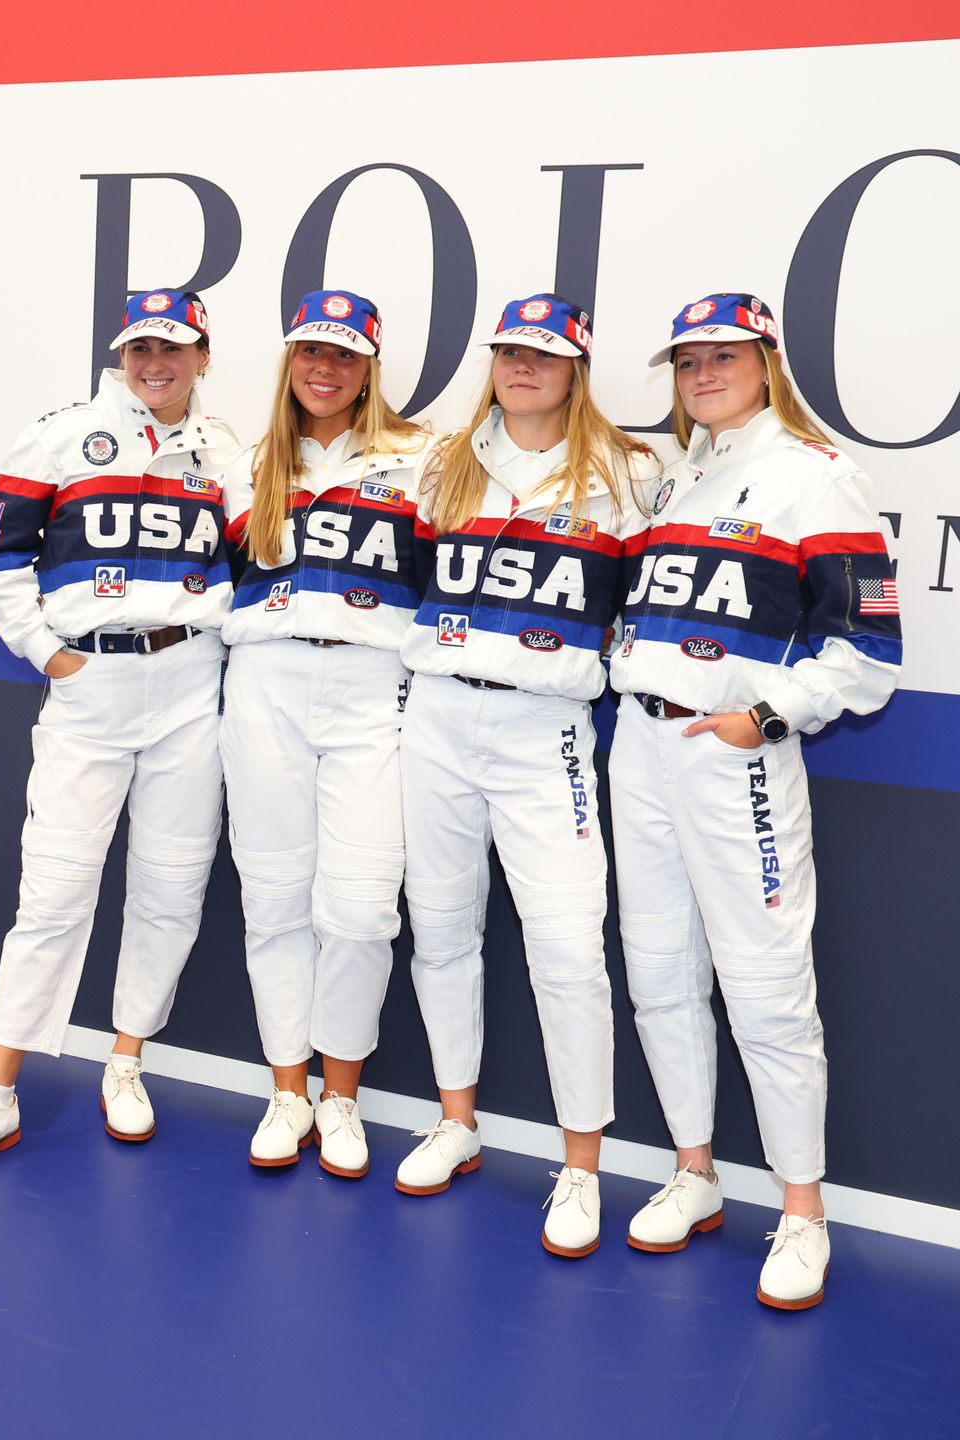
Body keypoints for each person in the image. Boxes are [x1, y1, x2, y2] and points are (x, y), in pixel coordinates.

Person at [608, 292, 902, 1307]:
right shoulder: (682, 473)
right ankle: (694, 1172)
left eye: (721, 357)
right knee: (657, 973)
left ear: (766, 362)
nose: (700, 375)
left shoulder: (816, 478)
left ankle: (803, 1212)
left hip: (730, 758)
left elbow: (867, 651)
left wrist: (765, 718)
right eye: (687, 361)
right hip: (638, 748)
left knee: (767, 991)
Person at [0, 289, 240, 1174]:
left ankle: (126, 1061)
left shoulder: (227, 451)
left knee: (171, 888)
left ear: (203, 358)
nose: (154, 364)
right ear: (121, 354)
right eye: (140, 348)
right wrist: (47, 652)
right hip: (91, 687)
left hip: (190, 684)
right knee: (54, 896)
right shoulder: (61, 433)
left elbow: (254, 560)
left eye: (173, 350)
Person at [394, 294, 659, 1257]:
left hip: (545, 724)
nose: (523, 365)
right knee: (440, 927)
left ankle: (581, 1163)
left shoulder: (628, 472)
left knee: (566, 949)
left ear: (577, 368)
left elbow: (646, 604)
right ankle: (455, 1119)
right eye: (509, 350)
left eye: (544, 353)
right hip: (435, 713)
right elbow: (414, 584)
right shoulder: (445, 460)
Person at [220, 289, 436, 1179]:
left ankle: (339, 1096)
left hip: (371, 684)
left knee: (358, 907)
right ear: (289, 359)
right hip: (265, 680)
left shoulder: (422, 460)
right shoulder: (248, 465)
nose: (324, 368)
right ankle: (287, 1090)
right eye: (311, 350)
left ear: (370, 368)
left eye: (344, 355)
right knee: (272, 897)